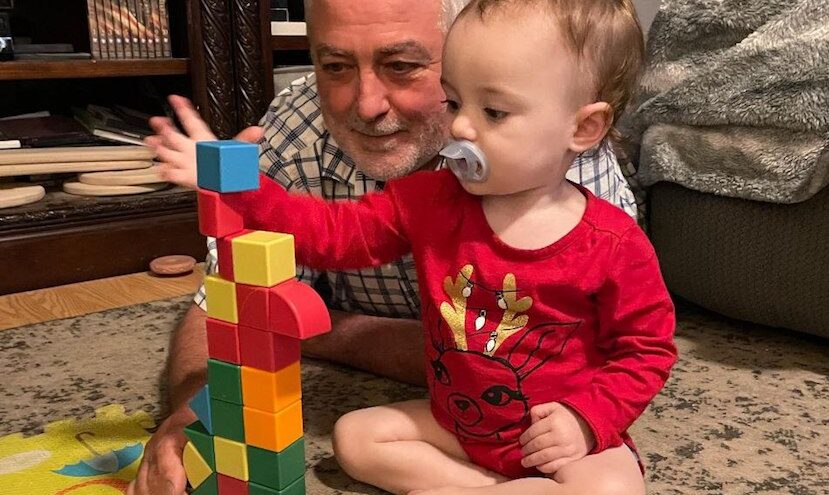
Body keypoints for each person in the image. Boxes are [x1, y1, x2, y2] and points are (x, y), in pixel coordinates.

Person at [128, 0, 640, 493]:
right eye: (456, 101)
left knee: (615, 484)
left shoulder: (607, 230)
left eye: (495, 112)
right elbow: (327, 234)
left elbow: (644, 350)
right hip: (460, 420)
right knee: (353, 440)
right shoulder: (425, 199)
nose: (461, 126)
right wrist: (238, 183)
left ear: (582, 129)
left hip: (554, 432)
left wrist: (587, 419)